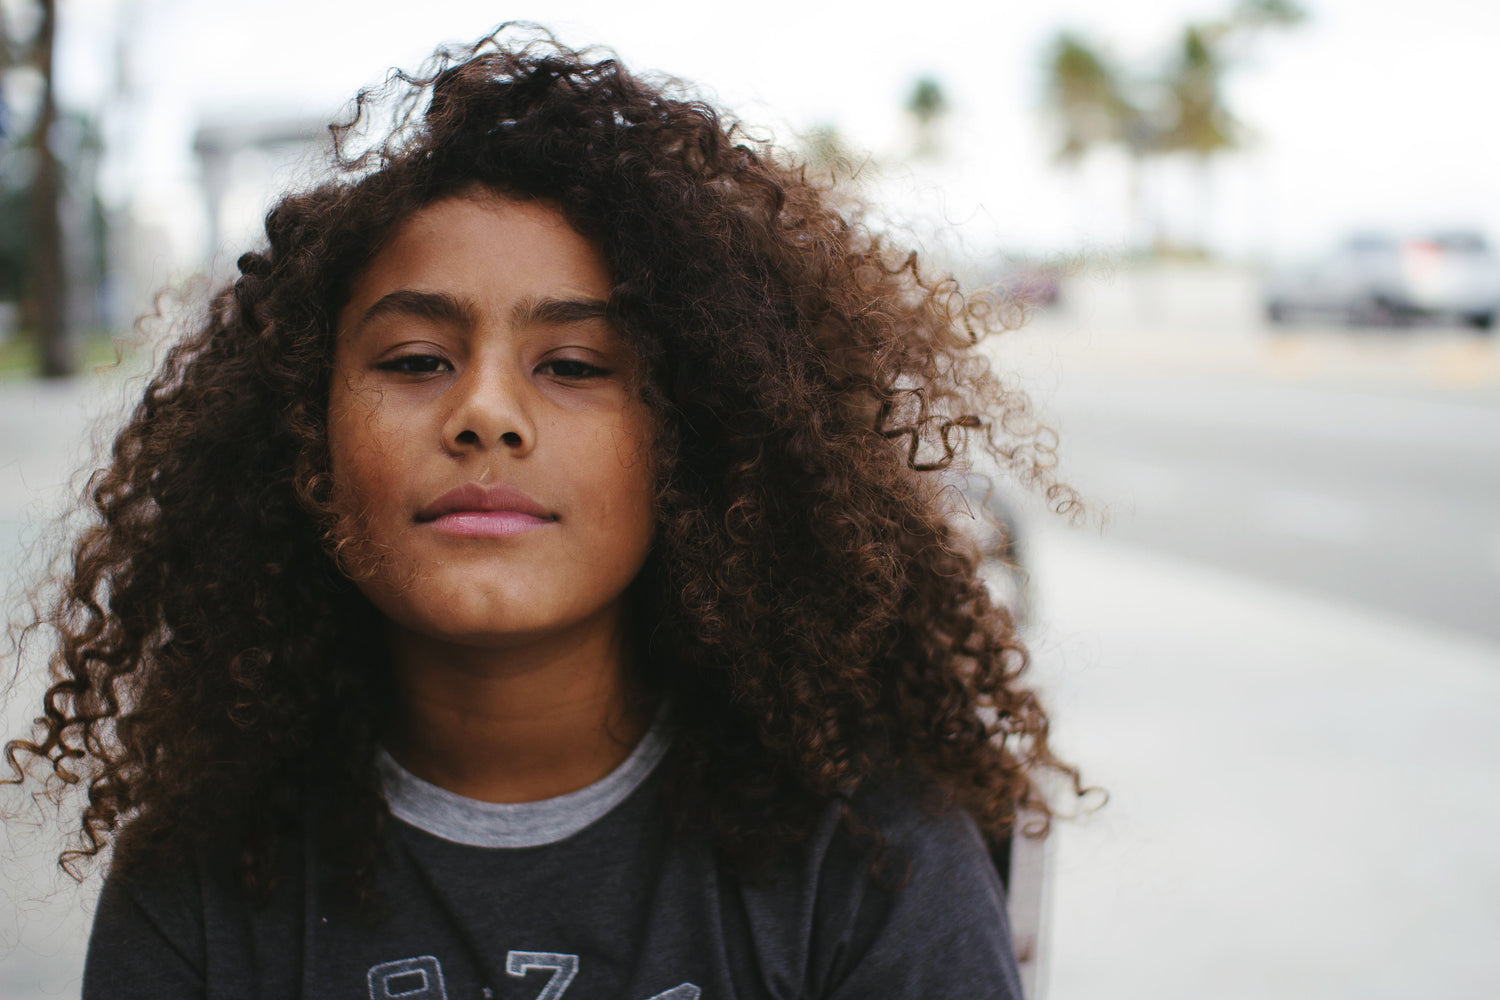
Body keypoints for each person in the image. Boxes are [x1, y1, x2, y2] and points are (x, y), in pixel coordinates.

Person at [4, 25, 1082, 999]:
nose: (485, 413)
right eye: (418, 359)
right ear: (306, 442)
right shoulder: (198, 876)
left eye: (572, 364)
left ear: (694, 441)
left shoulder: (870, 855)